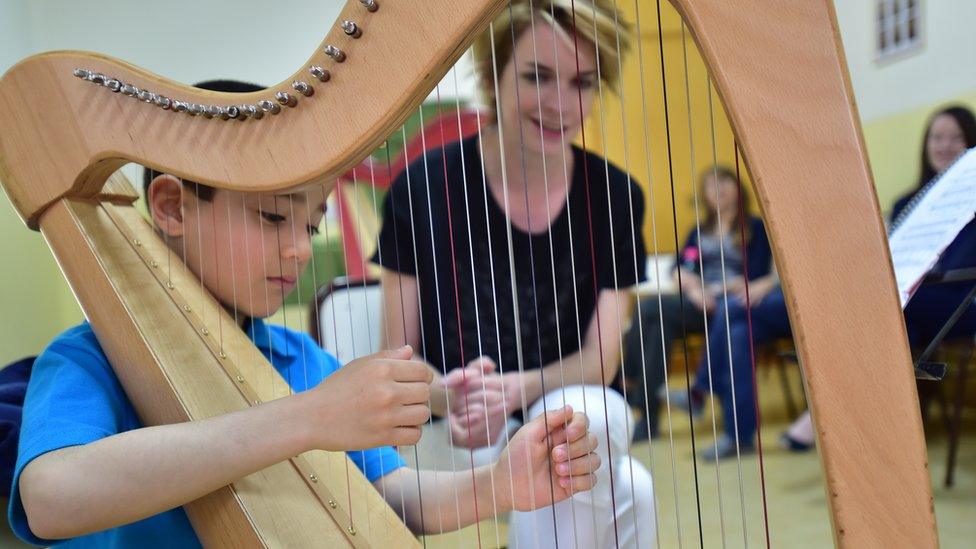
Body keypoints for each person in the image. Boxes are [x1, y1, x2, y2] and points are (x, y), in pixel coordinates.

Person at [7, 80, 603, 547]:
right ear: (170, 206)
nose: (298, 249)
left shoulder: (300, 358)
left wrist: (497, 484)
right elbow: (51, 497)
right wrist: (306, 418)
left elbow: (389, 496)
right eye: (273, 218)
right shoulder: (87, 359)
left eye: (311, 224)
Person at [374, 2, 655, 547]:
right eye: (537, 76)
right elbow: (397, 357)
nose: (560, 103)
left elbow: (601, 359)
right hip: (457, 422)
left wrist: (517, 390)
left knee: (577, 423)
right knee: (633, 489)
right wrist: (452, 397)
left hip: (576, 403)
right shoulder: (420, 188)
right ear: (492, 76)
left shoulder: (617, 196)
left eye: (583, 83)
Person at [783, 104, 976, 449]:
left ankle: (828, 415)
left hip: (958, 302)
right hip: (911, 303)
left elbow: (960, 273)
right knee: (892, 323)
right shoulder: (908, 202)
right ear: (926, 144)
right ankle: (883, 425)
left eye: (956, 137)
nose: (945, 145)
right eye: (937, 137)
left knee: (878, 308)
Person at [621, 166, 773, 443]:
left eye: (724, 182)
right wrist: (694, 288)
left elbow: (756, 277)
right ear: (705, 195)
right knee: (655, 320)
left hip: (732, 304)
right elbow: (681, 268)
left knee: (651, 311)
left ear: (737, 188)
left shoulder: (754, 228)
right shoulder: (699, 231)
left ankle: (628, 386)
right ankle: (644, 410)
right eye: (711, 185)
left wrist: (714, 289)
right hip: (699, 305)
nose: (718, 189)